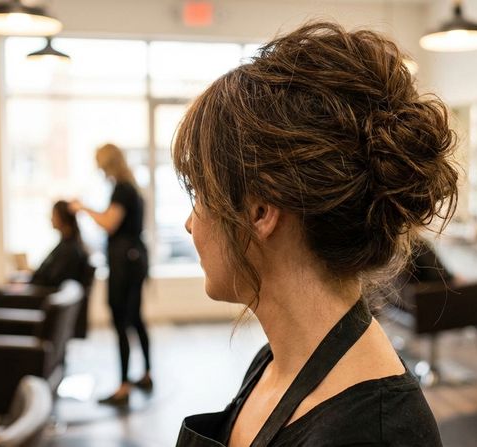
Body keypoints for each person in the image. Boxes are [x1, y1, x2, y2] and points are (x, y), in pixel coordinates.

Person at [173, 22, 456, 446]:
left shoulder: (374, 434)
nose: (189, 222)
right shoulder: (273, 364)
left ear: (260, 212)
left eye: (200, 193)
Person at [70, 143, 152, 405]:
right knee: (135, 318)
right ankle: (146, 374)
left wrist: (83, 208)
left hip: (125, 264)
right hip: (135, 260)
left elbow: (109, 223)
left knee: (121, 320)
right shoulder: (131, 188)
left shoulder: (122, 189)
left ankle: (124, 386)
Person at [407, 239, 477, 357]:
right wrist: (455, 280)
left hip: (412, 301)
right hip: (431, 303)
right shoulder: (418, 244)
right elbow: (440, 275)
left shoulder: (401, 243)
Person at [28, 200, 89, 288]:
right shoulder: (66, 245)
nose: (51, 219)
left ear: (62, 217)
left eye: (54, 214)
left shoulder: (69, 249)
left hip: (45, 293)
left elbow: (54, 279)